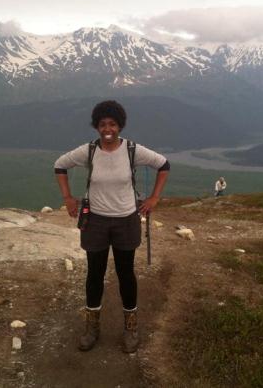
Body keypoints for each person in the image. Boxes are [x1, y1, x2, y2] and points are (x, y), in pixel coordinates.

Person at [54, 100, 170, 353]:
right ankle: (92, 327)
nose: (108, 128)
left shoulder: (131, 150)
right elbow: (60, 165)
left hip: (126, 220)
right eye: (103, 124)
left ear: (120, 125)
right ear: (96, 126)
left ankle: (131, 327)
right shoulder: (88, 151)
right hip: (95, 220)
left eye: (112, 123)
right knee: (94, 274)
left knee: (125, 273)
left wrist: (154, 198)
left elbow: (163, 165)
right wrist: (68, 198)